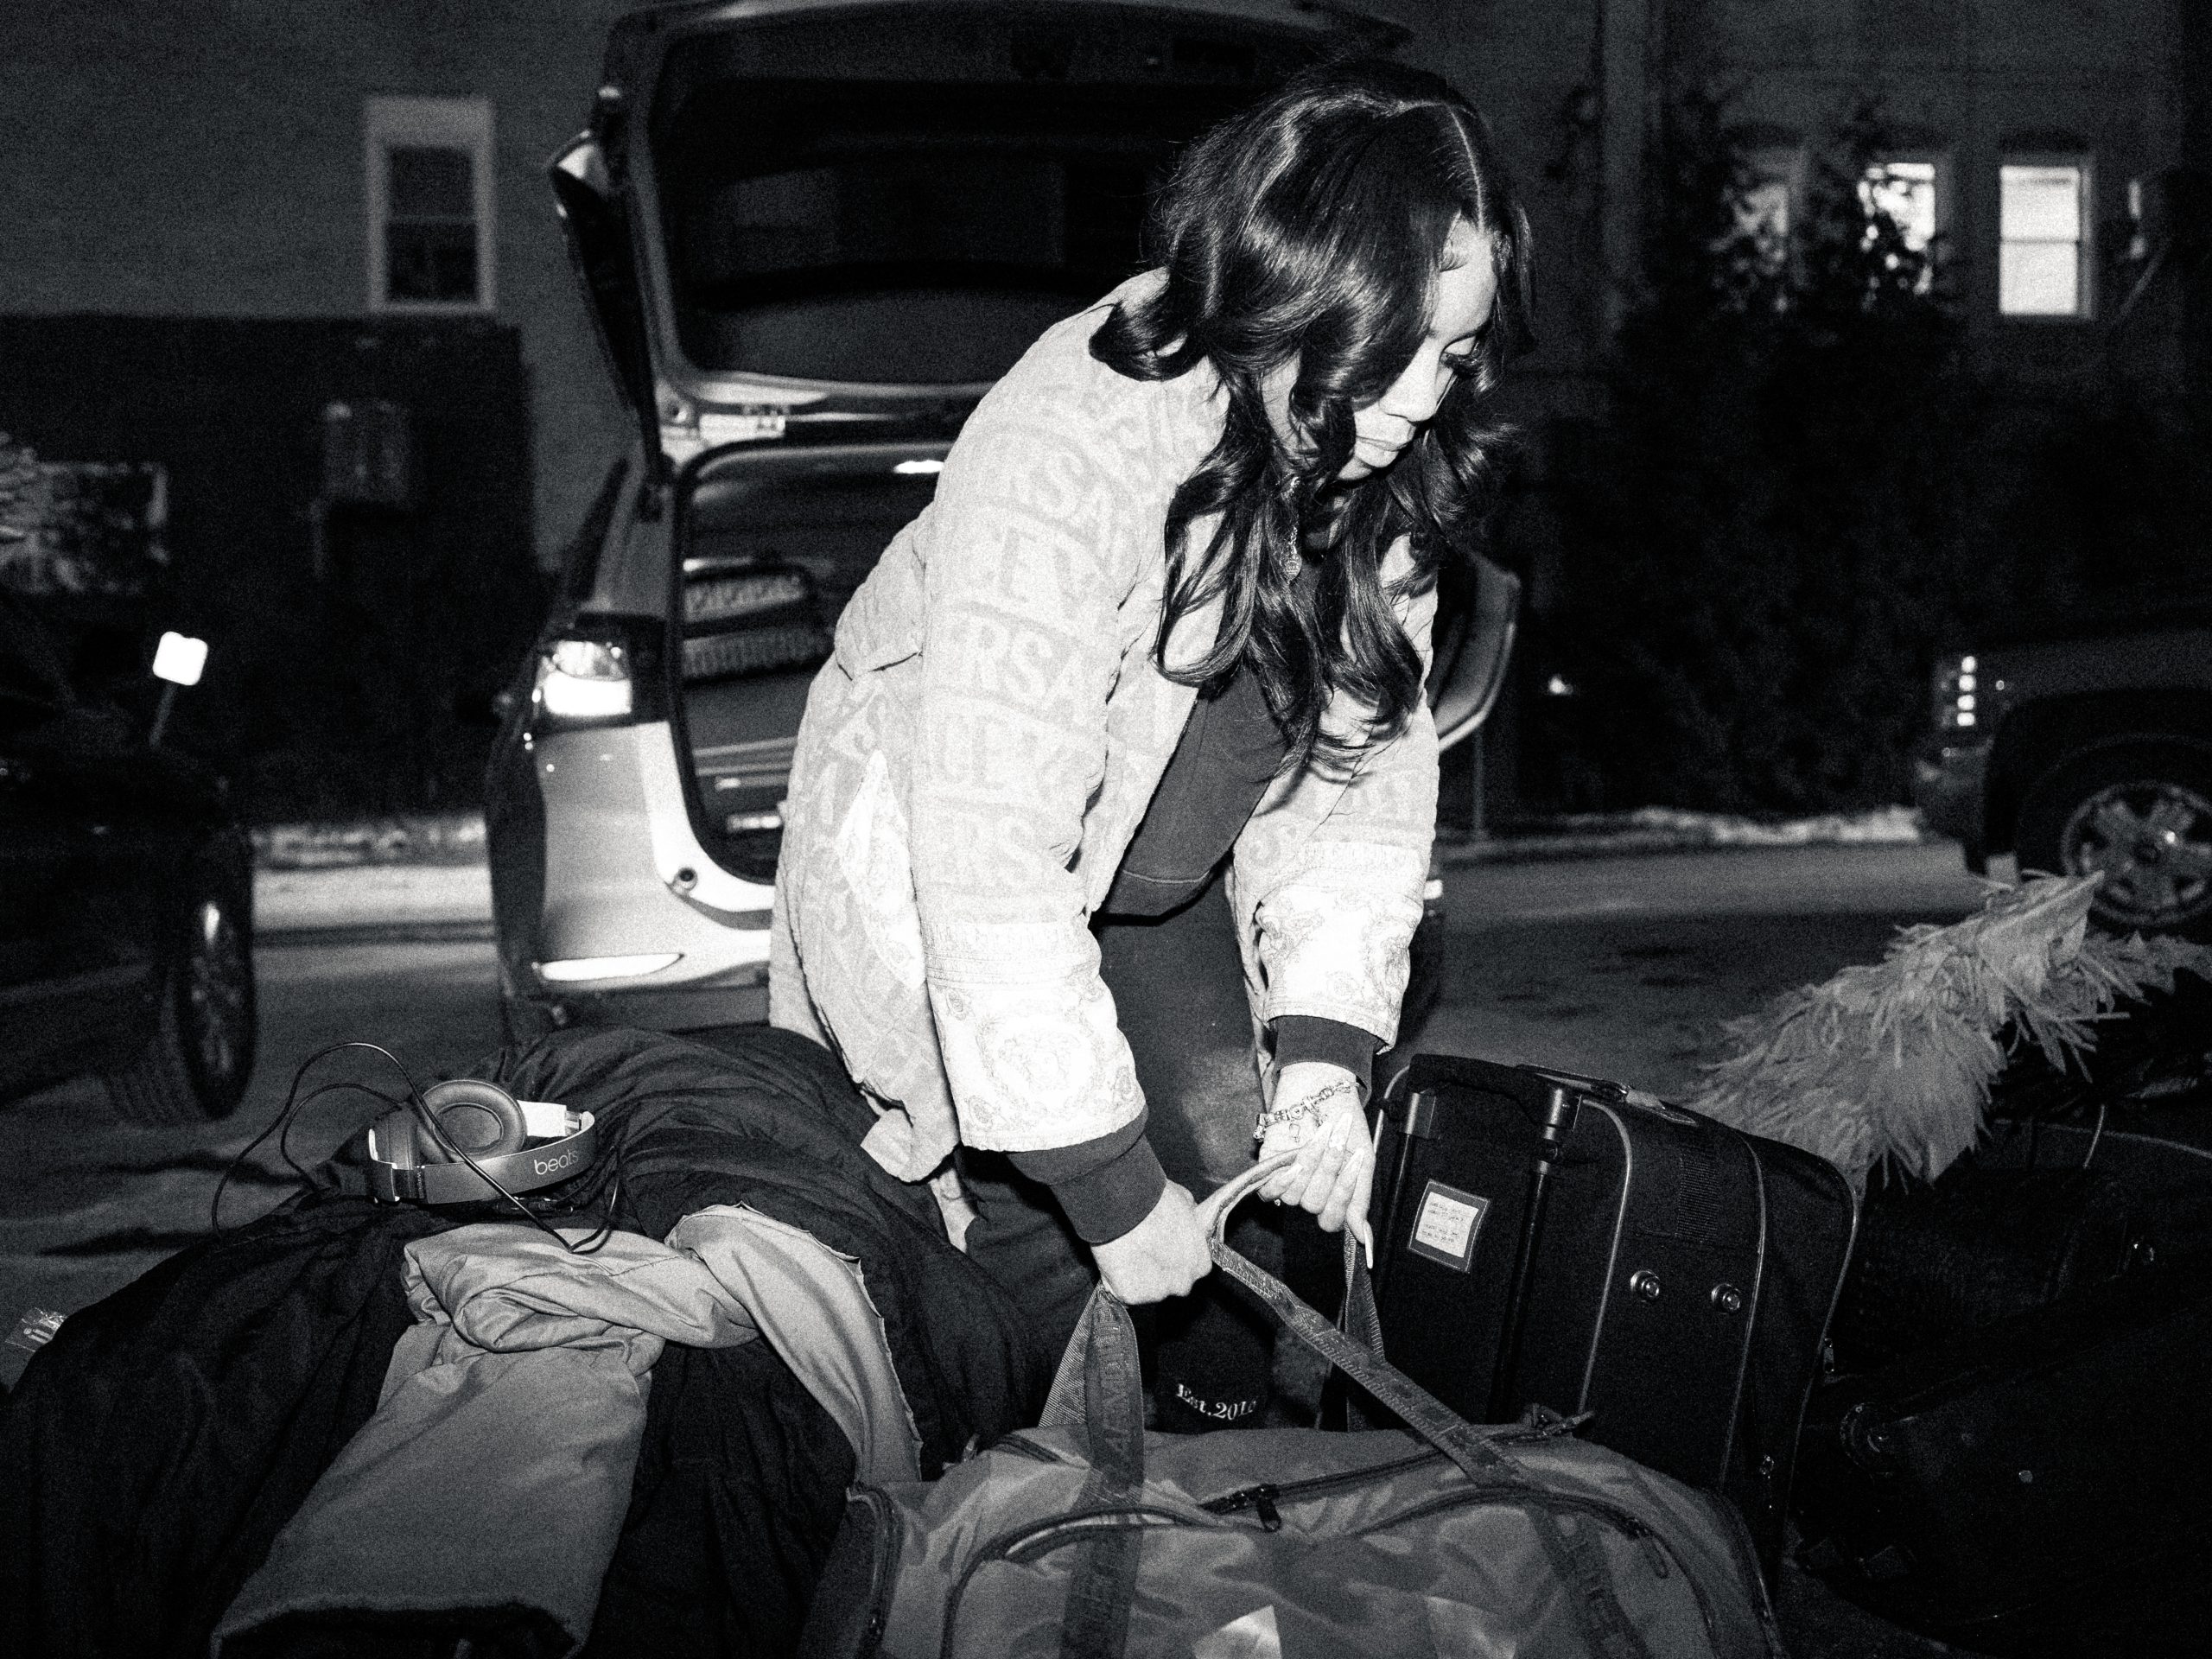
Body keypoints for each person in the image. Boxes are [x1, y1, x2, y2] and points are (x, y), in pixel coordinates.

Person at [770, 58, 1533, 1426]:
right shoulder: (1069, 442)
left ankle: (1219, 1507)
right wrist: (1111, 1187)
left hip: (1164, 890)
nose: (1428, 396)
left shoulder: (1376, 463)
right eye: (1399, 347)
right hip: (962, 894)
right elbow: (989, 862)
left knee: (1245, 1263)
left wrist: (1324, 1057)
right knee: (1032, 1303)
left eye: (1456, 353)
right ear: (1295, 302)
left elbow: (1362, 787)